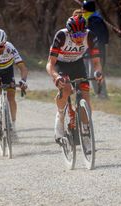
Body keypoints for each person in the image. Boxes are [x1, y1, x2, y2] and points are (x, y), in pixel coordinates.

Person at [46, 15, 103, 147]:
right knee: (66, 89)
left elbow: (96, 63)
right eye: (75, 35)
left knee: (85, 98)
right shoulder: (61, 36)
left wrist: (98, 73)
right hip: (61, 64)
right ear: (69, 32)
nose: (79, 38)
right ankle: (60, 117)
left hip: (77, 64)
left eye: (81, 34)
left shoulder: (90, 36)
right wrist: (56, 76)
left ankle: (85, 131)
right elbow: (50, 64)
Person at [82, 0, 109, 99]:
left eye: (83, 8)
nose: (82, 10)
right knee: (91, 73)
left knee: (95, 73)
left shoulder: (95, 20)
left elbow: (101, 38)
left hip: (96, 51)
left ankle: (103, 95)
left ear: (87, 9)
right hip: (90, 51)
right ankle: (99, 94)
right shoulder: (91, 19)